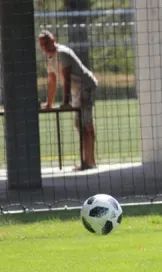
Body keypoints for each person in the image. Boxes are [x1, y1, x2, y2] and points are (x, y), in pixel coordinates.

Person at [38, 30, 99, 171]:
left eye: (46, 43)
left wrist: (65, 102)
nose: (44, 47)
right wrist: (49, 103)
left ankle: (89, 161)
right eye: (42, 45)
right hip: (76, 90)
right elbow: (52, 81)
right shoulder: (50, 58)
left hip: (85, 86)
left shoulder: (62, 53)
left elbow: (66, 78)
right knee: (80, 124)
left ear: (54, 40)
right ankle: (88, 161)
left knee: (85, 124)